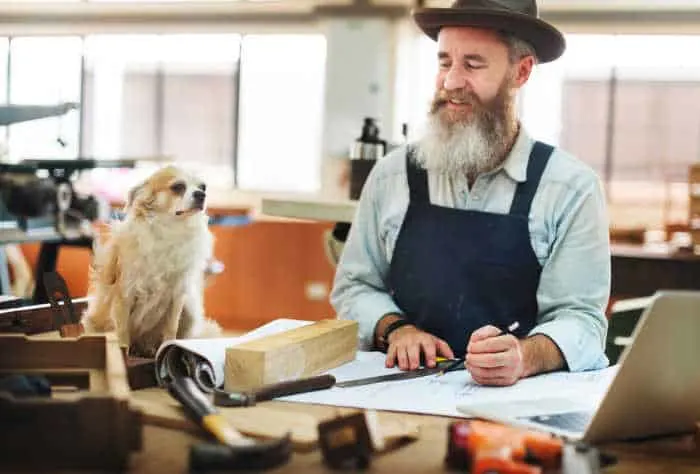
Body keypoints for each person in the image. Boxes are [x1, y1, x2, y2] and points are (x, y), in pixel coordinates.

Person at [330, 0, 611, 387]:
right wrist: (396, 329)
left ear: (521, 72)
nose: (451, 82)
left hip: (517, 407)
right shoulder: (392, 175)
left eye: (473, 64)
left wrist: (525, 356)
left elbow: (582, 319)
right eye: (445, 62)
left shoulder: (569, 188)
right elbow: (354, 286)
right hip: (401, 394)